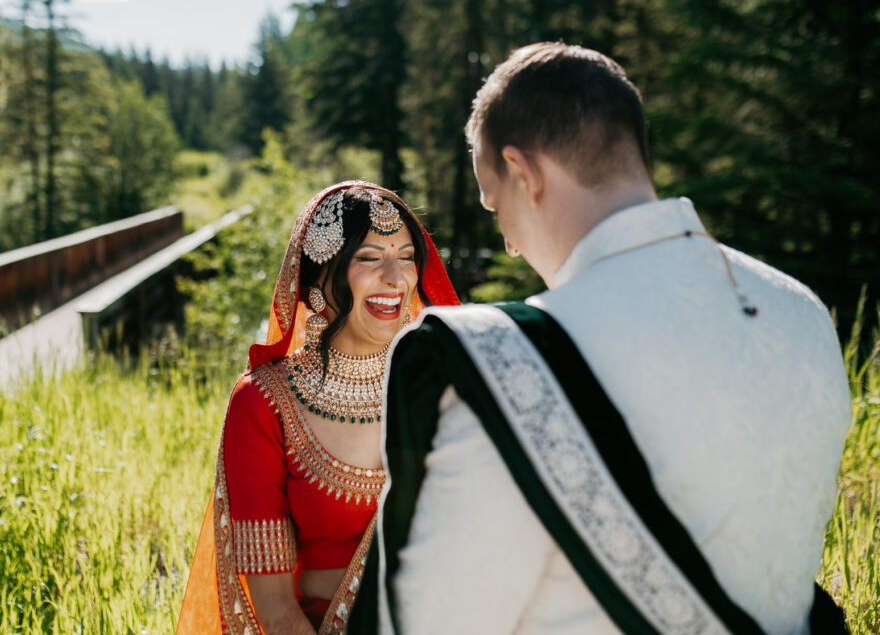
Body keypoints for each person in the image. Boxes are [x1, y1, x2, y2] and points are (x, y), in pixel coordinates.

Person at [350, 43, 851, 634]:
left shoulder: (509, 362)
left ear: (523, 173)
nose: (509, 243)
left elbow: (433, 623)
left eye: (496, 204)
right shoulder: (804, 312)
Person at [175, 182, 459, 635]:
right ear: (318, 278)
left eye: (406, 256)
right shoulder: (265, 403)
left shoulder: (443, 387)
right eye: (369, 258)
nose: (396, 277)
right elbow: (274, 609)